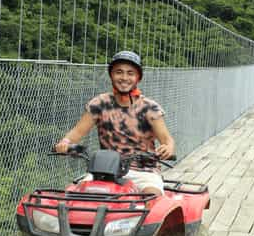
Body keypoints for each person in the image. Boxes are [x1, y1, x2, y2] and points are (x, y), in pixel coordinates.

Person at [54, 50, 175, 195]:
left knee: (151, 198)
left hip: (143, 171)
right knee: (76, 195)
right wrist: (65, 143)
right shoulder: (99, 103)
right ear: (111, 75)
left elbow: (167, 140)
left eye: (130, 73)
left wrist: (167, 148)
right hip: (104, 170)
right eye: (119, 72)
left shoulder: (150, 108)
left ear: (138, 78)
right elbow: (77, 132)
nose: (124, 77)